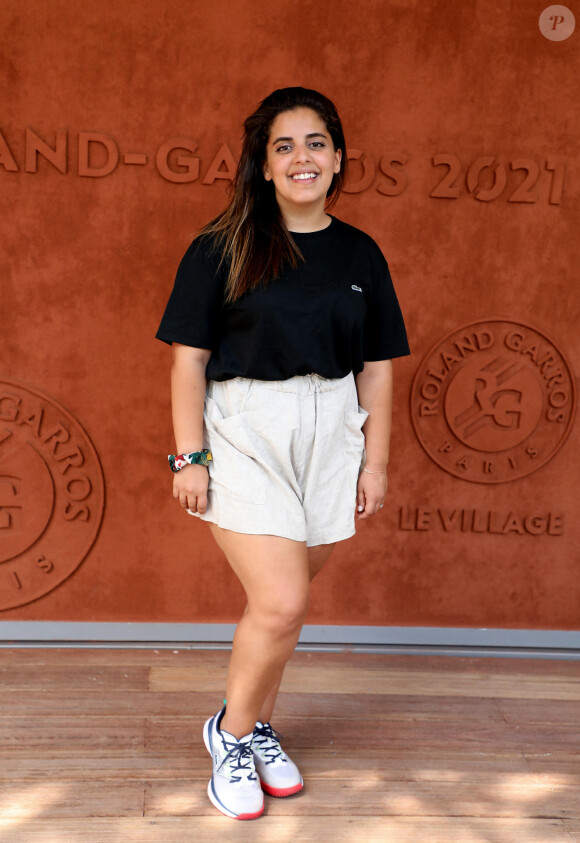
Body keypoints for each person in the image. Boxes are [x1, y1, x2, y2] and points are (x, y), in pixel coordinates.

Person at [156, 86, 410, 821]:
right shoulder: (221, 246)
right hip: (245, 425)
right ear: (264, 166)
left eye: (316, 143)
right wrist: (189, 457)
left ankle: (257, 721)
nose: (303, 157)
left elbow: (378, 368)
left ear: (337, 158)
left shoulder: (360, 251)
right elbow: (186, 362)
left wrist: (376, 461)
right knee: (282, 599)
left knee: (284, 609)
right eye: (285, 146)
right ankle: (231, 736)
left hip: (333, 426)